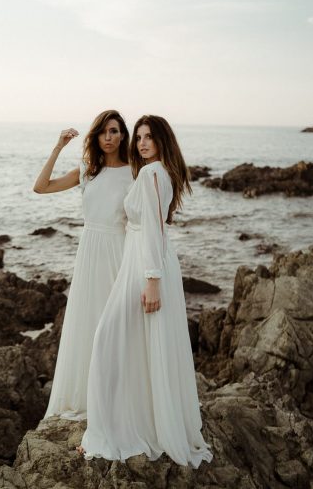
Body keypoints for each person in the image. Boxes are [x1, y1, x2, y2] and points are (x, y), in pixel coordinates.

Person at [79, 115, 213, 467]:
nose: (141, 143)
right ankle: (133, 423)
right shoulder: (156, 172)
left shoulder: (153, 173)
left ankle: (113, 431)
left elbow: (154, 227)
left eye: (148, 137)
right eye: (138, 137)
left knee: (107, 338)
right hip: (142, 261)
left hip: (146, 265)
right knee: (141, 345)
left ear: (162, 140)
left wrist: (152, 279)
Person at [33, 110, 132, 420]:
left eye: (114, 131)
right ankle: (89, 399)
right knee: (87, 326)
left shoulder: (134, 173)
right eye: (103, 131)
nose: (108, 136)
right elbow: (41, 186)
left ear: (122, 136)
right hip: (89, 254)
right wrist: (58, 147)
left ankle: (119, 401)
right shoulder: (87, 171)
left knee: (116, 328)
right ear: (96, 136)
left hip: (118, 254)